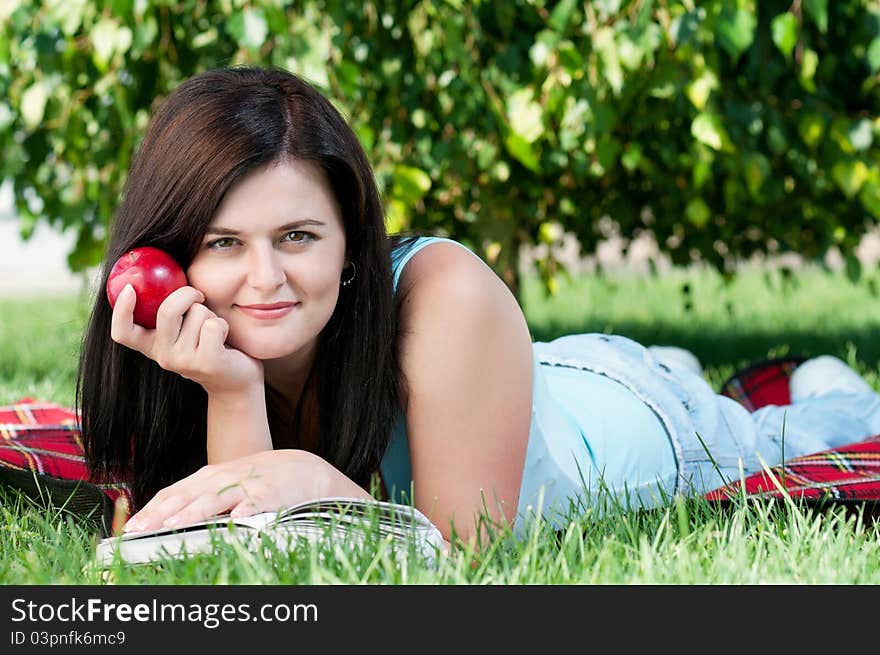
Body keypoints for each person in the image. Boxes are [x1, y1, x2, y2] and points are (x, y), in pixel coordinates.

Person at [77, 66, 880, 548]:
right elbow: (252, 557)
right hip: (526, 386)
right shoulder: (181, 351)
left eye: (296, 235)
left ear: (350, 241)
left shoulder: (442, 293)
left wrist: (311, 476)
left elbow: (467, 561)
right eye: (222, 243)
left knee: (806, 435)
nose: (265, 278)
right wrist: (231, 389)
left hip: (638, 427)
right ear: (167, 254)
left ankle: (819, 385)